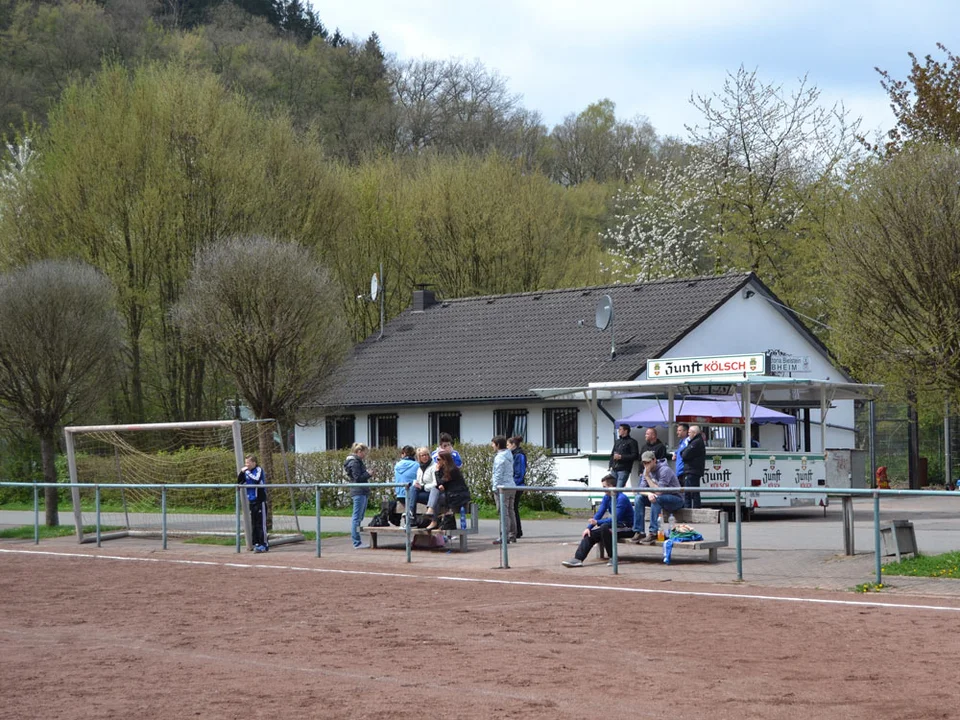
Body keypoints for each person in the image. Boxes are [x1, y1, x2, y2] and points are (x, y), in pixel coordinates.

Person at [561, 473, 634, 567]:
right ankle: (578, 559)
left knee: (605, 528)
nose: (603, 489)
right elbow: (599, 513)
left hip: (627, 527)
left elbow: (616, 518)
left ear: (612, 486)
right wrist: (589, 527)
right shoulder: (607, 497)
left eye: (604, 487)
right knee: (590, 534)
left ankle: (613, 557)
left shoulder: (622, 498)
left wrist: (598, 522)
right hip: (614, 526)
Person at [630, 450, 685, 544]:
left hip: (675, 499)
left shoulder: (665, 470)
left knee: (656, 499)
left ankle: (653, 532)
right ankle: (639, 531)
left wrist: (647, 477)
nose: (646, 465)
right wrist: (649, 494)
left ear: (654, 460)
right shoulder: (645, 470)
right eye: (644, 463)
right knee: (638, 498)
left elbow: (659, 491)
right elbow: (640, 489)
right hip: (658, 497)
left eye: (648, 462)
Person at [424, 449, 471, 530]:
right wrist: (440, 482)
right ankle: (433, 518)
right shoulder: (443, 469)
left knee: (436, 493)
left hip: (457, 496)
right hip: (450, 494)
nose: (437, 461)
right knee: (435, 492)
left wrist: (437, 472)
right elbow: (440, 484)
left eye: (438, 459)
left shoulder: (453, 470)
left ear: (445, 460)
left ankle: (432, 516)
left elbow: (440, 483)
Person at [344, 442, 375, 549]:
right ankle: (356, 542)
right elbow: (357, 478)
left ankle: (357, 541)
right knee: (356, 518)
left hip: (362, 491)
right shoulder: (354, 462)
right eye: (364, 453)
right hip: (358, 491)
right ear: (359, 452)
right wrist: (368, 474)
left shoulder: (357, 461)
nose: (365, 455)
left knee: (359, 517)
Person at [237, 455, 268, 553]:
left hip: (260, 501)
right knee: (254, 524)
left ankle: (264, 544)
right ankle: (257, 543)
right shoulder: (246, 472)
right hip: (252, 501)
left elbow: (256, 479)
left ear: (254, 463)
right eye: (245, 463)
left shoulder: (258, 470)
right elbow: (239, 482)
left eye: (248, 463)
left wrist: (246, 472)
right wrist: (241, 473)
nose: (246, 465)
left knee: (260, 524)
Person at [491, 435, 517, 544]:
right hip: (511, 485)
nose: (492, 446)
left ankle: (504, 536)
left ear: (497, 445)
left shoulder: (500, 457)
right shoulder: (509, 454)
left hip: (503, 488)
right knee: (510, 511)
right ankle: (512, 535)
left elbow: (498, 474)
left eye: (493, 444)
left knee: (503, 512)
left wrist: (494, 487)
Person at [680, 424, 706, 509]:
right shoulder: (695, 441)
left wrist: (683, 453)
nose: (688, 434)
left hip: (692, 470)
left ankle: (693, 509)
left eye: (689, 432)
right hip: (692, 470)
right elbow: (683, 452)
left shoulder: (696, 442)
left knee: (691, 493)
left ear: (694, 433)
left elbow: (685, 454)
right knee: (691, 492)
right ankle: (693, 509)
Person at [392, 445, 419, 525]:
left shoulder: (397, 465)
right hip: (411, 495)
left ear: (403, 454)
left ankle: (408, 522)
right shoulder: (416, 465)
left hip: (400, 495)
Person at [609, 424, 640, 488]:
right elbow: (612, 454)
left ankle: (618, 498)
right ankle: (613, 498)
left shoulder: (632, 442)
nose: (618, 431)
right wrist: (610, 465)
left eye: (620, 429)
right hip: (614, 469)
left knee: (618, 489)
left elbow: (635, 455)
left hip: (624, 469)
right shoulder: (617, 441)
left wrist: (621, 457)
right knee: (611, 488)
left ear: (626, 431)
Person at [508, 435, 527, 539]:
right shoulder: (514, 454)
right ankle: (517, 531)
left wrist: (514, 484)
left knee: (513, 508)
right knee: (513, 508)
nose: (507, 447)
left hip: (517, 485)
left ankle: (517, 531)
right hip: (515, 484)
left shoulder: (519, 455)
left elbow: (520, 472)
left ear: (513, 445)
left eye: (508, 444)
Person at [671, 422, 690, 492]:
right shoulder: (681, 442)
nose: (677, 432)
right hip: (679, 472)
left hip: (684, 472)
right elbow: (679, 451)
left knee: (685, 494)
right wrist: (675, 454)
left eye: (679, 430)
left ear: (685, 431)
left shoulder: (688, 441)